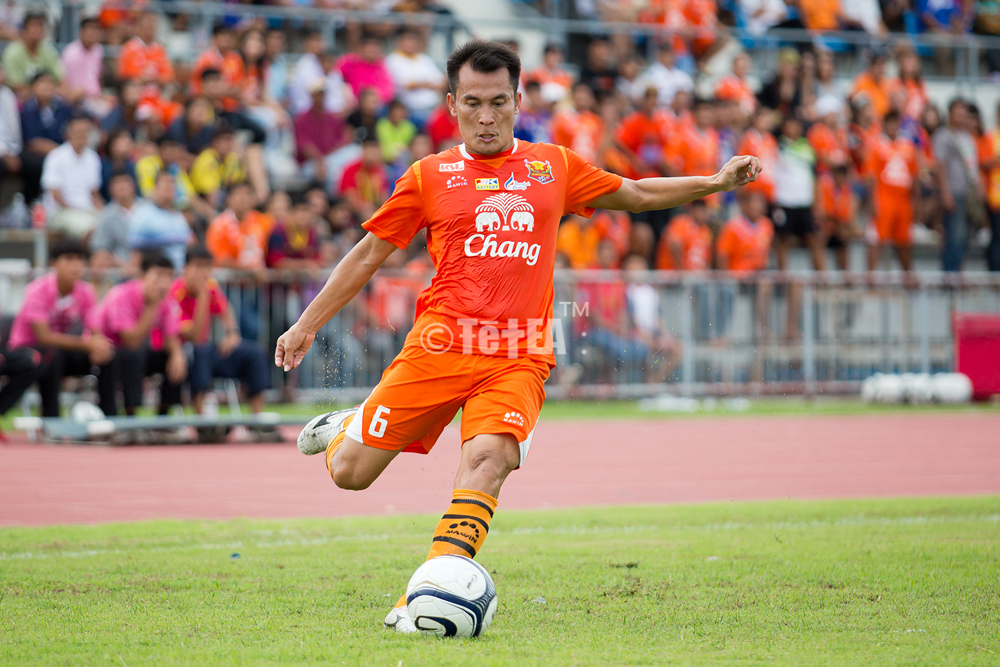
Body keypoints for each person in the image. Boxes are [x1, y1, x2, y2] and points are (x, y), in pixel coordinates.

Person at [274, 39, 761, 633]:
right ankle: (349, 427)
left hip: (520, 354)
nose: (486, 116)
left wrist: (714, 182)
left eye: (498, 102)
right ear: (451, 105)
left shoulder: (553, 166)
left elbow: (634, 194)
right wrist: (305, 325)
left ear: (517, 101)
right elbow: (368, 254)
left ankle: (427, 592)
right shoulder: (428, 176)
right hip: (438, 347)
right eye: (473, 103)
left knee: (489, 459)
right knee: (350, 472)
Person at [7, 240, 113, 417]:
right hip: (29, 351)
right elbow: (43, 337)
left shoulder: (86, 291)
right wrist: (87, 344)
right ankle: (51, 418)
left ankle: (110, 418)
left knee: (109, 355)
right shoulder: (37, 289)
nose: (76, 265)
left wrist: (99, 347)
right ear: (54, 263)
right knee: (52, 355)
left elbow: (95, 329)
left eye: (80, 260)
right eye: (69, 259)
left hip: (62, 350)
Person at [170, 245, 271, 416]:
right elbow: (193, 337)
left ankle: (256, 420)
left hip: (205, 351)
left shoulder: (210, 286)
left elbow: (226, 310)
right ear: (186, 268)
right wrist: (202, 297)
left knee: (255, 353)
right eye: (197, 266)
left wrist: (232, 334)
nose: (202, 272)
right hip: (182, 354)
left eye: (206, 267)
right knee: (200, 352)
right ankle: (201, 421)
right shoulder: (176, 292)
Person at [91, 251, 186, 417]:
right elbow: (131, 341)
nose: (164, 283)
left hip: (137, 354)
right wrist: (151, 307)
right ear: (143, 275)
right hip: (109, 351)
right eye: (159, 275)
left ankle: (165, 416)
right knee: (134, 354)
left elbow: (171, 337)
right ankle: (132, 414)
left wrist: (178, 355)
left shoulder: (167, 300)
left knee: (175, 358)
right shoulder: (121, 294)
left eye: (169, 276)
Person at [865, 110, 918, 272]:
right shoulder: (877, 146)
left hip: (903, 200)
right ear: (884, 125)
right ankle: (871, 277)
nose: (893, 126)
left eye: (895, 123)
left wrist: (916, 202)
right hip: (884, 198)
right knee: (876, 239)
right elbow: (871, 177)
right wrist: (873, 201)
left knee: (904, 241)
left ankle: (907, 276)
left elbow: (914, 176)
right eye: (890, 123)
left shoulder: (907, 147)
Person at [933, 99, 980, 271]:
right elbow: (940, 165)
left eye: (963, 112)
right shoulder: (943, 135)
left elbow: (972, 165)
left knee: (965, 238)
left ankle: (958, 273)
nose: (961, 116)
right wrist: (945, 193)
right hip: (954, 191)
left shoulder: (967, 136)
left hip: (968, 193)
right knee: (954, 237)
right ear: (950, 114)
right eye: (957, 112)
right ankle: (950, 277)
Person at [772, 115, 824, 270]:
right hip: (784, 199)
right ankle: (783, 277)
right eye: (789, 125)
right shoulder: (776, 146)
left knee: (812, 238)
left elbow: (816, 176)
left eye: (795, 125)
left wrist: (817, 202)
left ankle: (821, 278)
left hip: (804, 200)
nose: (792, 129)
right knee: (782, 240)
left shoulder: (808, 148)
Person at [41, 114, 103, 239]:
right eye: (78, 132)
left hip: (87, 210)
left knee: (110, 224)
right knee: (91, 229)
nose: (82, 135)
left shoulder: (93, 158)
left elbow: (94, 194)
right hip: (61, 211)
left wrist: (105, 212)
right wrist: (79, 210)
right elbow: (55, 195)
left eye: (86, 131)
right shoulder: (56, 156)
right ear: (68, 133)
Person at [19, 71, 73, 205]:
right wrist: (60, 152)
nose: (46, 86)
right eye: (42, 83)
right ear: (32, 87)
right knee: (36, 164)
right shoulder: (27, 110)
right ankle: (31, 202)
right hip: (37, 153)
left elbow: (72, 129)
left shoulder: (63, 108)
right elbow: (33, 142)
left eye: (50, 83)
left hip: (61, 151)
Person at [128, 170, 193, 271]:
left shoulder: (179, 217)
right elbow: (136, 255)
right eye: (164, 183)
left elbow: (189, 246)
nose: (169, 187)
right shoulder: (144, 215)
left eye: (172, 183)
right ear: (155, 188)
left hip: (179, 274)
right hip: (158, 274)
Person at [384, 27, 446, 126]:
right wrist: (429, 84)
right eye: (407, 40)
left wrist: (421, 84)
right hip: (409, 111)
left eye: (413, 40)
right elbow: (408, 85)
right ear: (399, 42)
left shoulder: (424, 59)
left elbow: (442, 83)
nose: (411, 43)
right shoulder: (392, 59)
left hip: (433, 107)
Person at [91, 171, 141, 274]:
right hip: (120, 270)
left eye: (125, 182)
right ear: (110, 189)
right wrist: (124, 265)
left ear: (133, 186)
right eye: (117, 183)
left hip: (150, 264)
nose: (121, 186)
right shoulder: (106, 215)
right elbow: (100, 248)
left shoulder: (148, 208)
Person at [1, 12, 63, 93]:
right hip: (19, 98)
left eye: (40, 26)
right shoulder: (12, 53)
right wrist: (41, 89)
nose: (37, 30)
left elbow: (61, 79)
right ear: (24, 29)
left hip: (48, 96)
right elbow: (15, 86)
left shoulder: (49, 51)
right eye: (33, 26)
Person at [816, 161, 857, 271]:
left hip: (838, 225)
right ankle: (822, 273)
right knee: (821, 234)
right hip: (827, 224)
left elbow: (847, 216)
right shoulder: (825, 186)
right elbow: (821, 213)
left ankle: (844, 272)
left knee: (845, 235)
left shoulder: (846, 190)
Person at [60, 18, 105, 109]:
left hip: (95, 98)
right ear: (81, 32)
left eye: (95, 29)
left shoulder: (98, 49)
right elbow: (63, 81)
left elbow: (98, 76)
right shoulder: (70, 53)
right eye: (90, 29)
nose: (92, 33)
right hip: (78, 99)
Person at [654, 200, 713, 270]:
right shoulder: (681, 222)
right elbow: (675, 244)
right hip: (672, 272)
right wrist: (681, 271)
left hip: (695, 273)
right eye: (699, 209)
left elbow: (707, 257)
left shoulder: (706, 230)